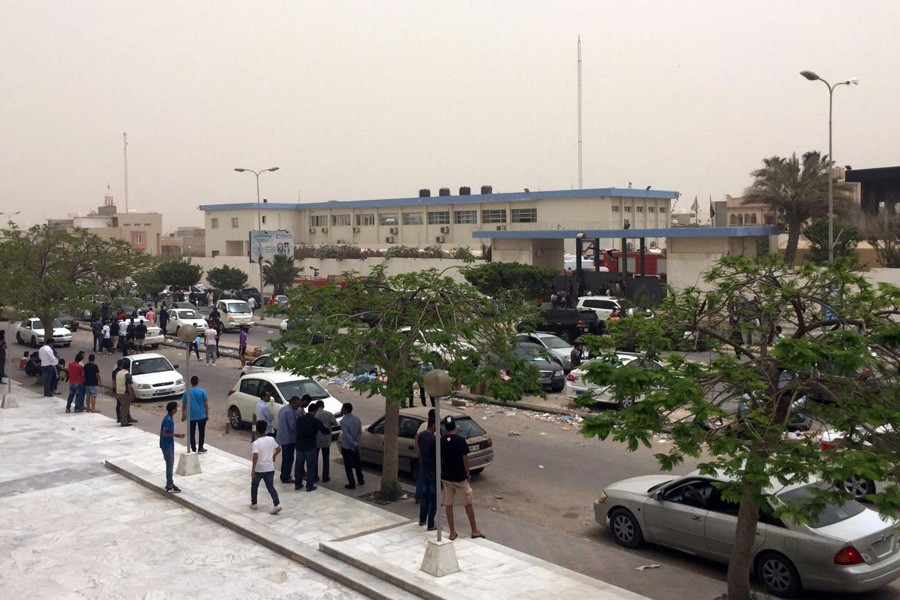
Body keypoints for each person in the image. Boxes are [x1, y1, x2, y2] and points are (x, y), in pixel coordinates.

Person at [441, 416, 483, 540]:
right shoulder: (460, 441)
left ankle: (452, 532)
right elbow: (465, 461)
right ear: (455, 427)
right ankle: (474, 530)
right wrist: (467, 474)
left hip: (447, 478)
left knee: (448, 505)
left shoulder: (441, 441)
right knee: (468, 504)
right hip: (459, 478)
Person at [294, 402, 330, 492]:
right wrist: (327, 427)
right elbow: (325, 431)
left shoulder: (299, 419)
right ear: (315, 411)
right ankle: (309, 486)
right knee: (311, 467)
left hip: (299, 446)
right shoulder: (315, 421)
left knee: (298, 466)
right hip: (310, 447)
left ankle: (298, 484)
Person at [250, 420, 283, 514]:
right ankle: (277, 504)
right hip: (270, 467)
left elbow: (255, 457)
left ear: (257, 430)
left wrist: (253, 470)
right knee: (270, 486)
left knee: (254, 485)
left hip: (259, 468)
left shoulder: (256, 443)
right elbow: (279, 449)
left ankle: (254, 503)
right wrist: (274, 455)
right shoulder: (271, 439)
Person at [416, 409, 438, 530]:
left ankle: (422, 519)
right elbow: (436, 456)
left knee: (424, 495)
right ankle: (431, 523)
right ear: (434, 424)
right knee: (433, 497)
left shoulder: (421, 436)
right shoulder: (433, 440)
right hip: (433, 471)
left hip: (423, 467)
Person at [160, 401, 185, 493]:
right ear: (173, 409)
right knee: (169, 464)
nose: (177, 409)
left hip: (169, 444)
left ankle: (170, 482)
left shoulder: (170, 418)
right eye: (176, 407)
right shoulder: (168, 420)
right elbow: (164, 433)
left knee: (171, 463)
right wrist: (176, 435)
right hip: (166, 445)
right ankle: (169, 484)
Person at [339, 402, 364, 489]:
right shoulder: (357, 419)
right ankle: (360, 479)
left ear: (346, 410)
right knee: (357, 463)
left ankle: (351, 483)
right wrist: (355, 443)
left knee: (348, 465)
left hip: (346, 446)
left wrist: (351, 443)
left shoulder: (343, 421)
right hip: (355, 446)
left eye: (342, 408)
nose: (341, 410)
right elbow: (360, 433)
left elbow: (346, 435)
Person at [276, 396, 301, 484]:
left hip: (282, 437)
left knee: (285, 458)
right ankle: (285, 477)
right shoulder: (290, 412)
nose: (298, 406)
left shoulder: (283, 409)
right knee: (289, 459)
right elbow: (293, 426)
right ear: (293, 403)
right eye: (297, 404)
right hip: (289, 439)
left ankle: (284, 475)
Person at [181, 375, 209, 453]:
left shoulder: (187, 392)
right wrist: (207, 415)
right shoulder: (202, 391)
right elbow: (206, 404)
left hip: (191, 416)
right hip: (201, 415)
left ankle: (193, 448)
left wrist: (183, 415)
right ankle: (200, 447)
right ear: (198, 382)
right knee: (201, 432)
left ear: (191, 382)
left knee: (191, 433)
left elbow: (184, 405)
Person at [314, 399, 339, 483]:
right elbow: (335, 423)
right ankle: (325, 476)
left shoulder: (314, 415)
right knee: (326, 458)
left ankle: (315, 476)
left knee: (315, 458)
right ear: (323, 406)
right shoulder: (328, 414)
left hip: (316, 439)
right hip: (326, 438)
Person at [115, 359, 133, 427]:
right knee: (125, 409)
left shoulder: (118, 373)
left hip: (118, 392)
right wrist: (131, 394)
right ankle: (124, 422)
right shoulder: (127, 374)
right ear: (128, 367)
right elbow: (129, 385)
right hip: (124, 393)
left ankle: (124, 420)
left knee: (123, 407)